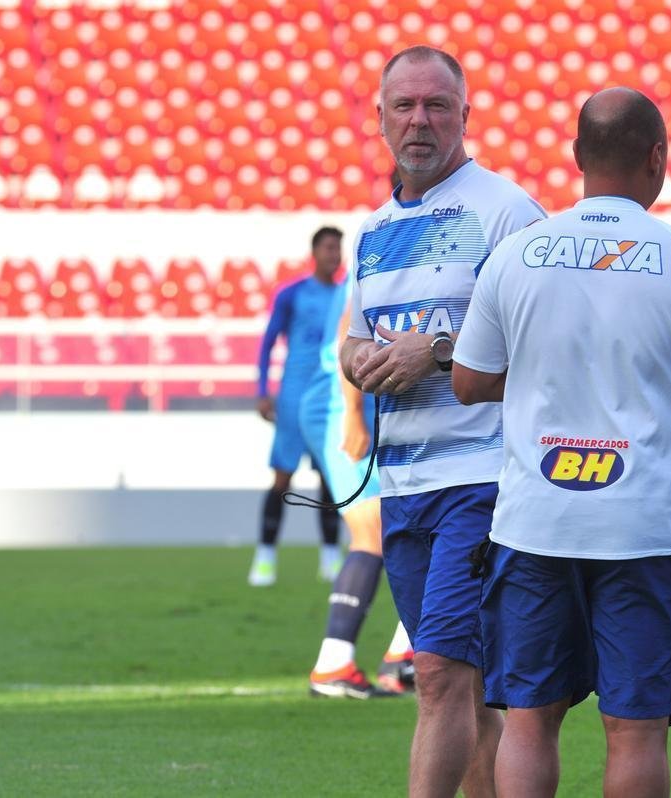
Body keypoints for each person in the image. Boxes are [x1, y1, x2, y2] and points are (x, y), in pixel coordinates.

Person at [453, 87, 671, 798]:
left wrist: (542, 373)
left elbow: (470, 381)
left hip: (536, 522)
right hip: (644, 528)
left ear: (576, 156)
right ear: (658, 158)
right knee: (635, 728)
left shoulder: (516, 253)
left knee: (529, 720)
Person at [339, 45, 545, 797]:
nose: (419, 120)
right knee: (468, 687)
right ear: (381, 118)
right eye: (404, 106)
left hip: (482, 476)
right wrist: (362, 359)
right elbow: (357, 337)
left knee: (437, 677)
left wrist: (439, 351)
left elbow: (549, 342)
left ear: (465, 114)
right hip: (403, 480)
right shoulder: (371, 229)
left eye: (436, 105)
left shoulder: (509, 211)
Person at [301, 282, 414, 699]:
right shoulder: (381, 254)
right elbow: (350, 330)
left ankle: (403, 654)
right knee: (374, 533)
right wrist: (351, 414)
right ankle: (335, 664)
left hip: (356, 400)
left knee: (405, 527)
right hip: (347, 400)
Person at [248, 227, 343, 587]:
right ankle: (265, 557)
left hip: (327, 400)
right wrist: (262, 390)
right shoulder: (293, 294)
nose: (335, 254)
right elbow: (268, 342)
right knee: (282, 478)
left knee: (331, 479)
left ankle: (331, 559)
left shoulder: (344, 296)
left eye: (338, 248)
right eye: (329, 248)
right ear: (315, 252)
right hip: (292, 398)